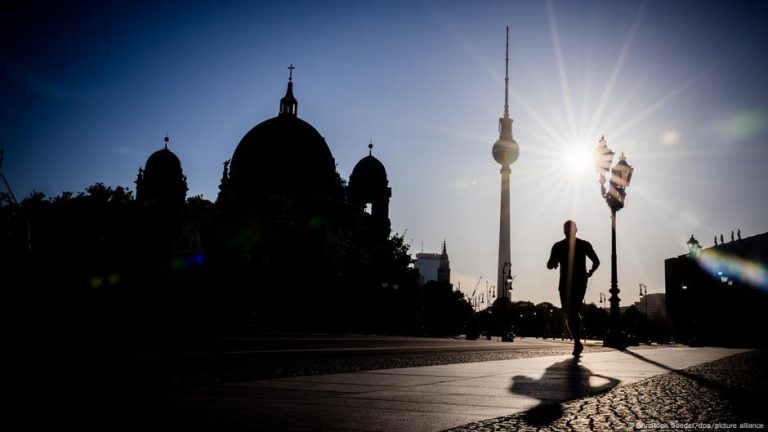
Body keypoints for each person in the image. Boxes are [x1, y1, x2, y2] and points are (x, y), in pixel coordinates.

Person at [547, 220, 600, 356]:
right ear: (576, 230)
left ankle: (577, 342)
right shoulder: (583, 245)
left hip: (567, 283)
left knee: (571, 312)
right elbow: (596, 261)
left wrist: (554, 264)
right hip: (579, 281)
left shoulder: (558, 246)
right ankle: (577, 342)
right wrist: (591, 271)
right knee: (571, 312)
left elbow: (549, 264)